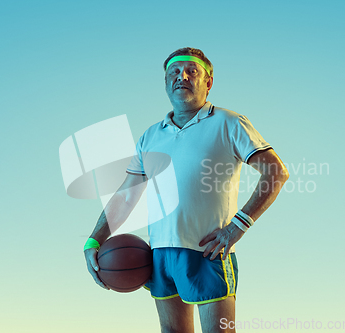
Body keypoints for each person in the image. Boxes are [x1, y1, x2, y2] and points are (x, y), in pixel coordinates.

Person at [84, 47, 289, 333]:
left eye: (192, 71)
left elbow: (276, 172)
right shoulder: (150, 136)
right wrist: (94, 240)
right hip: (159, 254)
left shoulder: (229, 122)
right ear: (166, 82)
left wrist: (237, 227)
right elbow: (127, 195)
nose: (182, 77)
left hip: (208, 251)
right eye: (174, 72)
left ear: (208, 82)